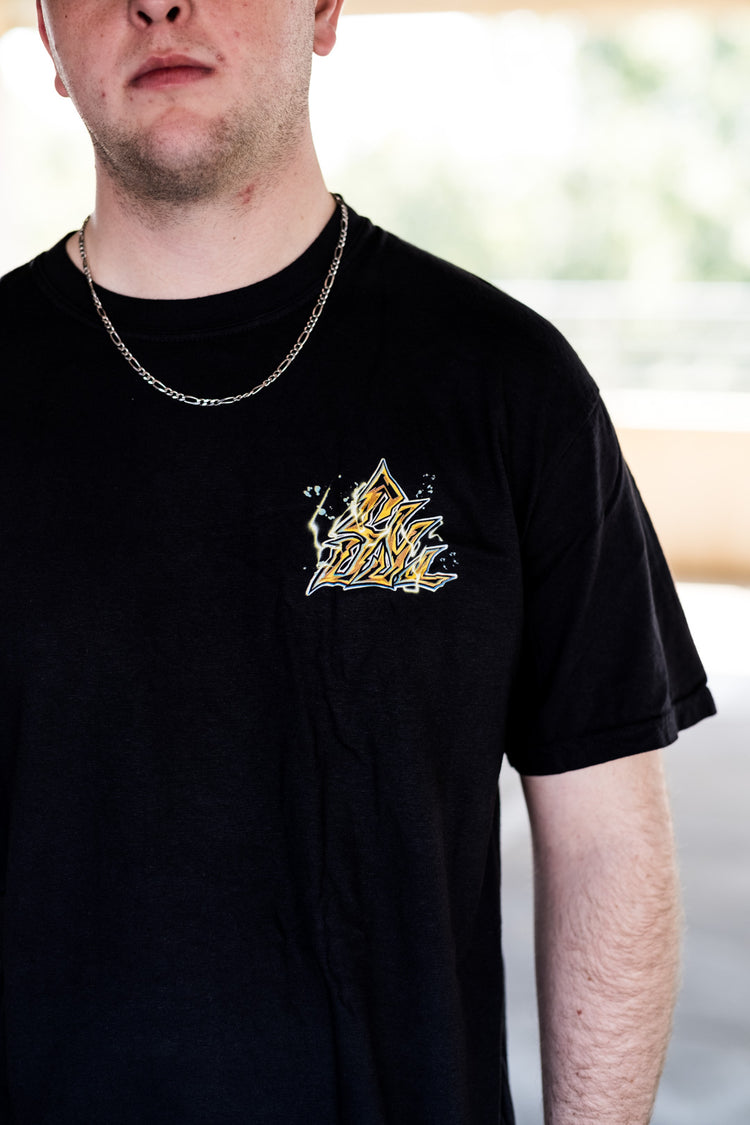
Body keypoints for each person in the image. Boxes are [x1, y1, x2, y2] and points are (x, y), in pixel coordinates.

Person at [0, 0, 715, 1121]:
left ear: (325, 10)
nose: (160, 4)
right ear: (47, 38)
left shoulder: (509, 386)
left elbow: (606, 843)